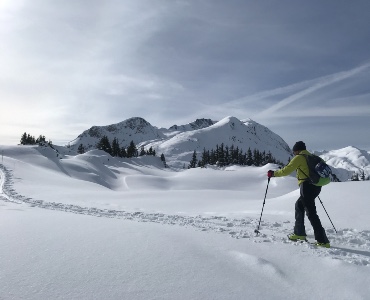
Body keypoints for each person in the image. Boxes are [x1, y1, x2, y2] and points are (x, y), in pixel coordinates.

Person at [267, 141, 330, 248]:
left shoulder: (299, 157)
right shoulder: (313, 157)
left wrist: (273, 174)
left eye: (294, 151)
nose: (294, 153)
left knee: (311, 213)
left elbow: (286, 171)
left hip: (306, 186)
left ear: (297, 150)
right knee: (299, 205)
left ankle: (323, 241)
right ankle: (299, 233)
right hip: (316, 186)